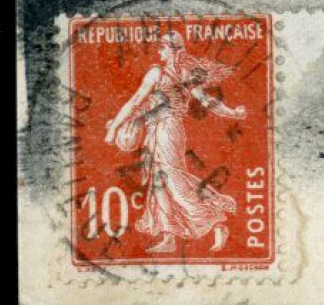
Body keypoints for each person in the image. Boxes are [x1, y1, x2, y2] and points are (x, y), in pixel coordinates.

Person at [104, 32, 247, 254]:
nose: (159, 51)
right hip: (161, 130)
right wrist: (234, 112)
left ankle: (216, 220)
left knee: (173, 180)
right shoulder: (184, 73)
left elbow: (135, 101)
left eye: (162, 47)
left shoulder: (157, 73)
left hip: (166, 131)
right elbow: (151, 106)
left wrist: (114, 129)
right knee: (158, 181)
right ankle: (168, 235)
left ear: (173, 50)